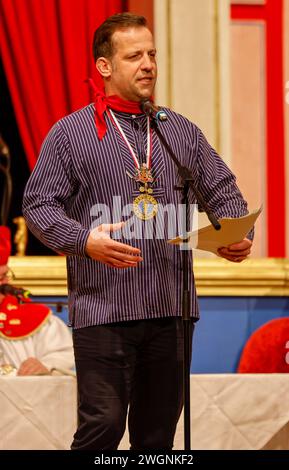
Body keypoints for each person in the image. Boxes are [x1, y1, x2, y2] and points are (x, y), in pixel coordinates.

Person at [22, 13, 253, 450]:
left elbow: (224, 193)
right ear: (104, 67)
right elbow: (37, 205)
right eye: (134, 56)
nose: (148, 64)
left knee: (157, 440)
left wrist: (234, 234)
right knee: (103, 428)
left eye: (152, 54)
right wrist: (84, 240)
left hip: (172, 309)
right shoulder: (70, 134)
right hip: (103, 309)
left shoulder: (178, 131)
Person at [0, 225, 75, 376]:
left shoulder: (38, 320)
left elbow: (63, 354)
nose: (6, 282)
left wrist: (46, 364)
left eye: (4, 276)